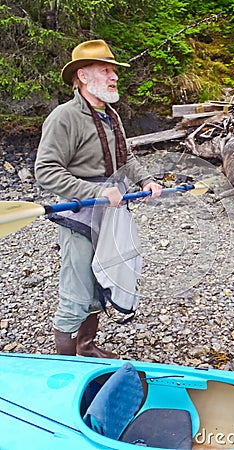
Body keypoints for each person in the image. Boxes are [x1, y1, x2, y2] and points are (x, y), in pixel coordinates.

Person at [35, 39, 162, 358]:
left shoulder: (112, 116)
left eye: (114, 71)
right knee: (75, 295)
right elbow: (46, 170)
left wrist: (145, 179)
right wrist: (97, 192)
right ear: (83, 76)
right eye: (106, 70)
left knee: (100, 283)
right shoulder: (64, 117)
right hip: (77, 217)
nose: (114, 77)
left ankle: (87, 346)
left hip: (111, 215)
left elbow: (126, 158)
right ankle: (65, 365)